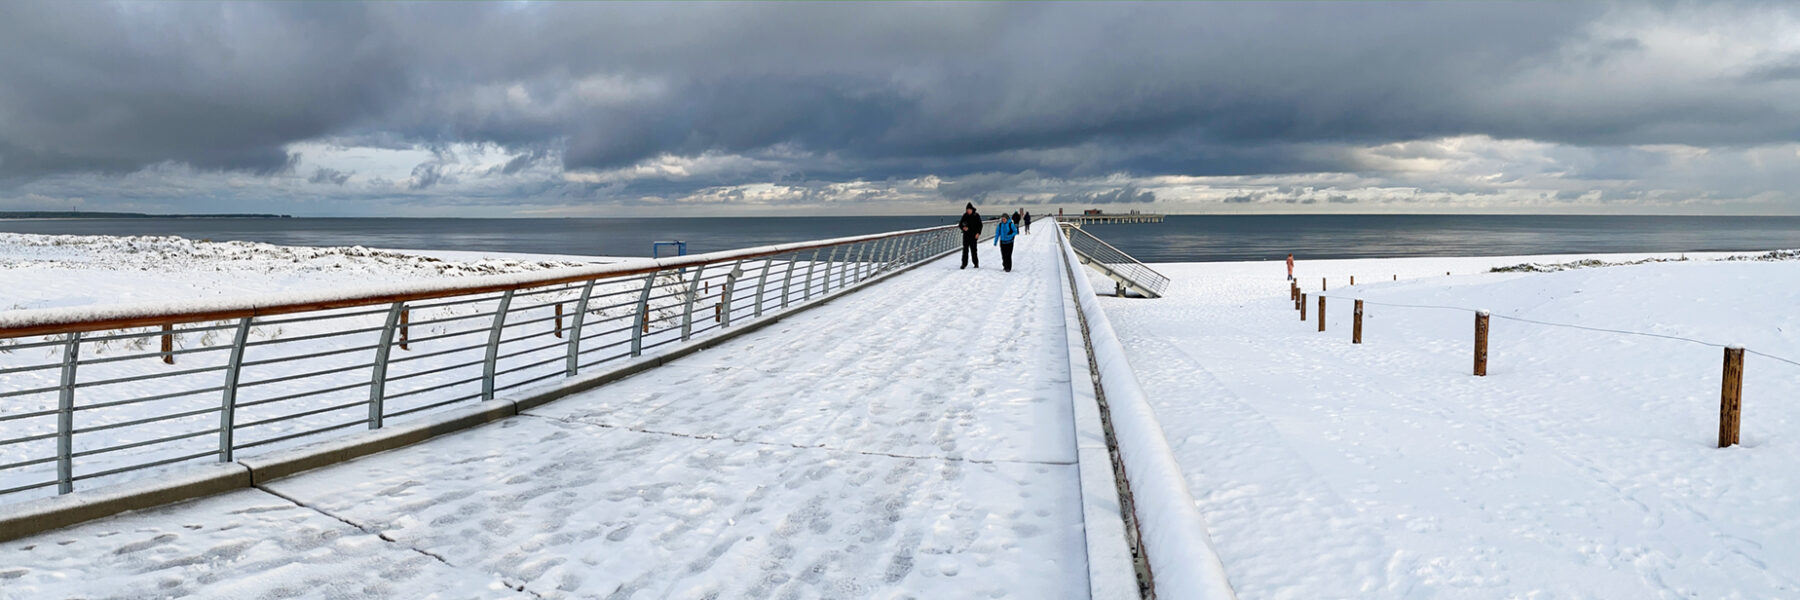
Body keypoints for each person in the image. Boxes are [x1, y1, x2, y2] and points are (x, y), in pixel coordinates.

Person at [959, 203, 983, 269]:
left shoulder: (976, 215)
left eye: (969, 209)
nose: (968, 211)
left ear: (972, 209)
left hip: (973, 235)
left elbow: (980, 225)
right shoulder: (965, 215)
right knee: (965, 250)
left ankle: (976, 263)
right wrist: (963, 228)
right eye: (967, 210)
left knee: (973, 250)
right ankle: (964, 264)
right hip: (966, 235)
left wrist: (978, 233)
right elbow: (960, 224)